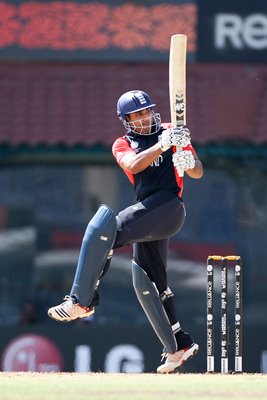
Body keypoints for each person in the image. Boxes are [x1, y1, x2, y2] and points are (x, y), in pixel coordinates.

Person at [48, 90, 204, 373]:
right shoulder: (123, 144)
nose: (145, 117)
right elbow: (134, 164)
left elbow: (197, 172)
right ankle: (179, 344)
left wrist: (187, 161)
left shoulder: (172, 130)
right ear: (127, 120)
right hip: (149, 213)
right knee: (148, 282)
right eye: (138, 114)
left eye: (148, 111)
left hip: (169, 208)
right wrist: (162, 147)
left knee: (101, 230)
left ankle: (81, 301)